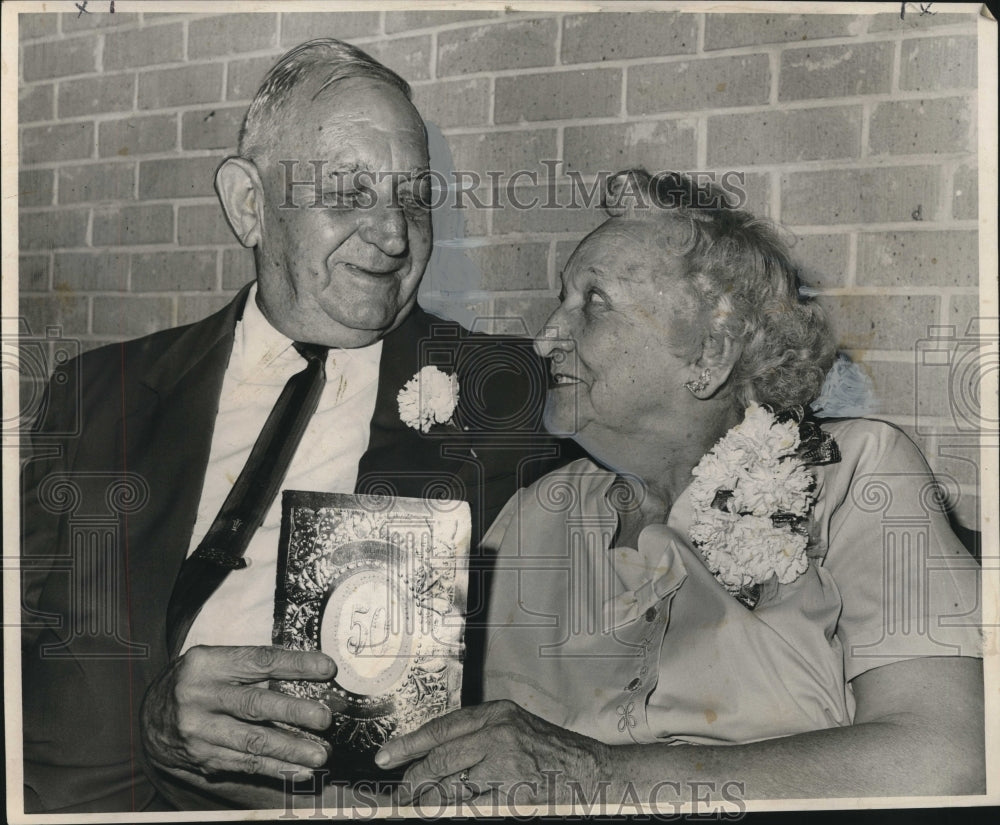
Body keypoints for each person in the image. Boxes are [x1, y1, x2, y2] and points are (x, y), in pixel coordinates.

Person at [19, 39, 576, 813]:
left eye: (412, 196)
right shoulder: (96, 393)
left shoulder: (512, 393)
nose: (392, 234)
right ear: (249, 204)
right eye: (347, 194)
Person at [375, 170, 985, 805]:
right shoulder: (533, 514)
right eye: (562, 300)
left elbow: (948, 758)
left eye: (594, 303)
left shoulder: (857, 473)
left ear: (709, 355)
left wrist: (593, 777)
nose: (546, 336)